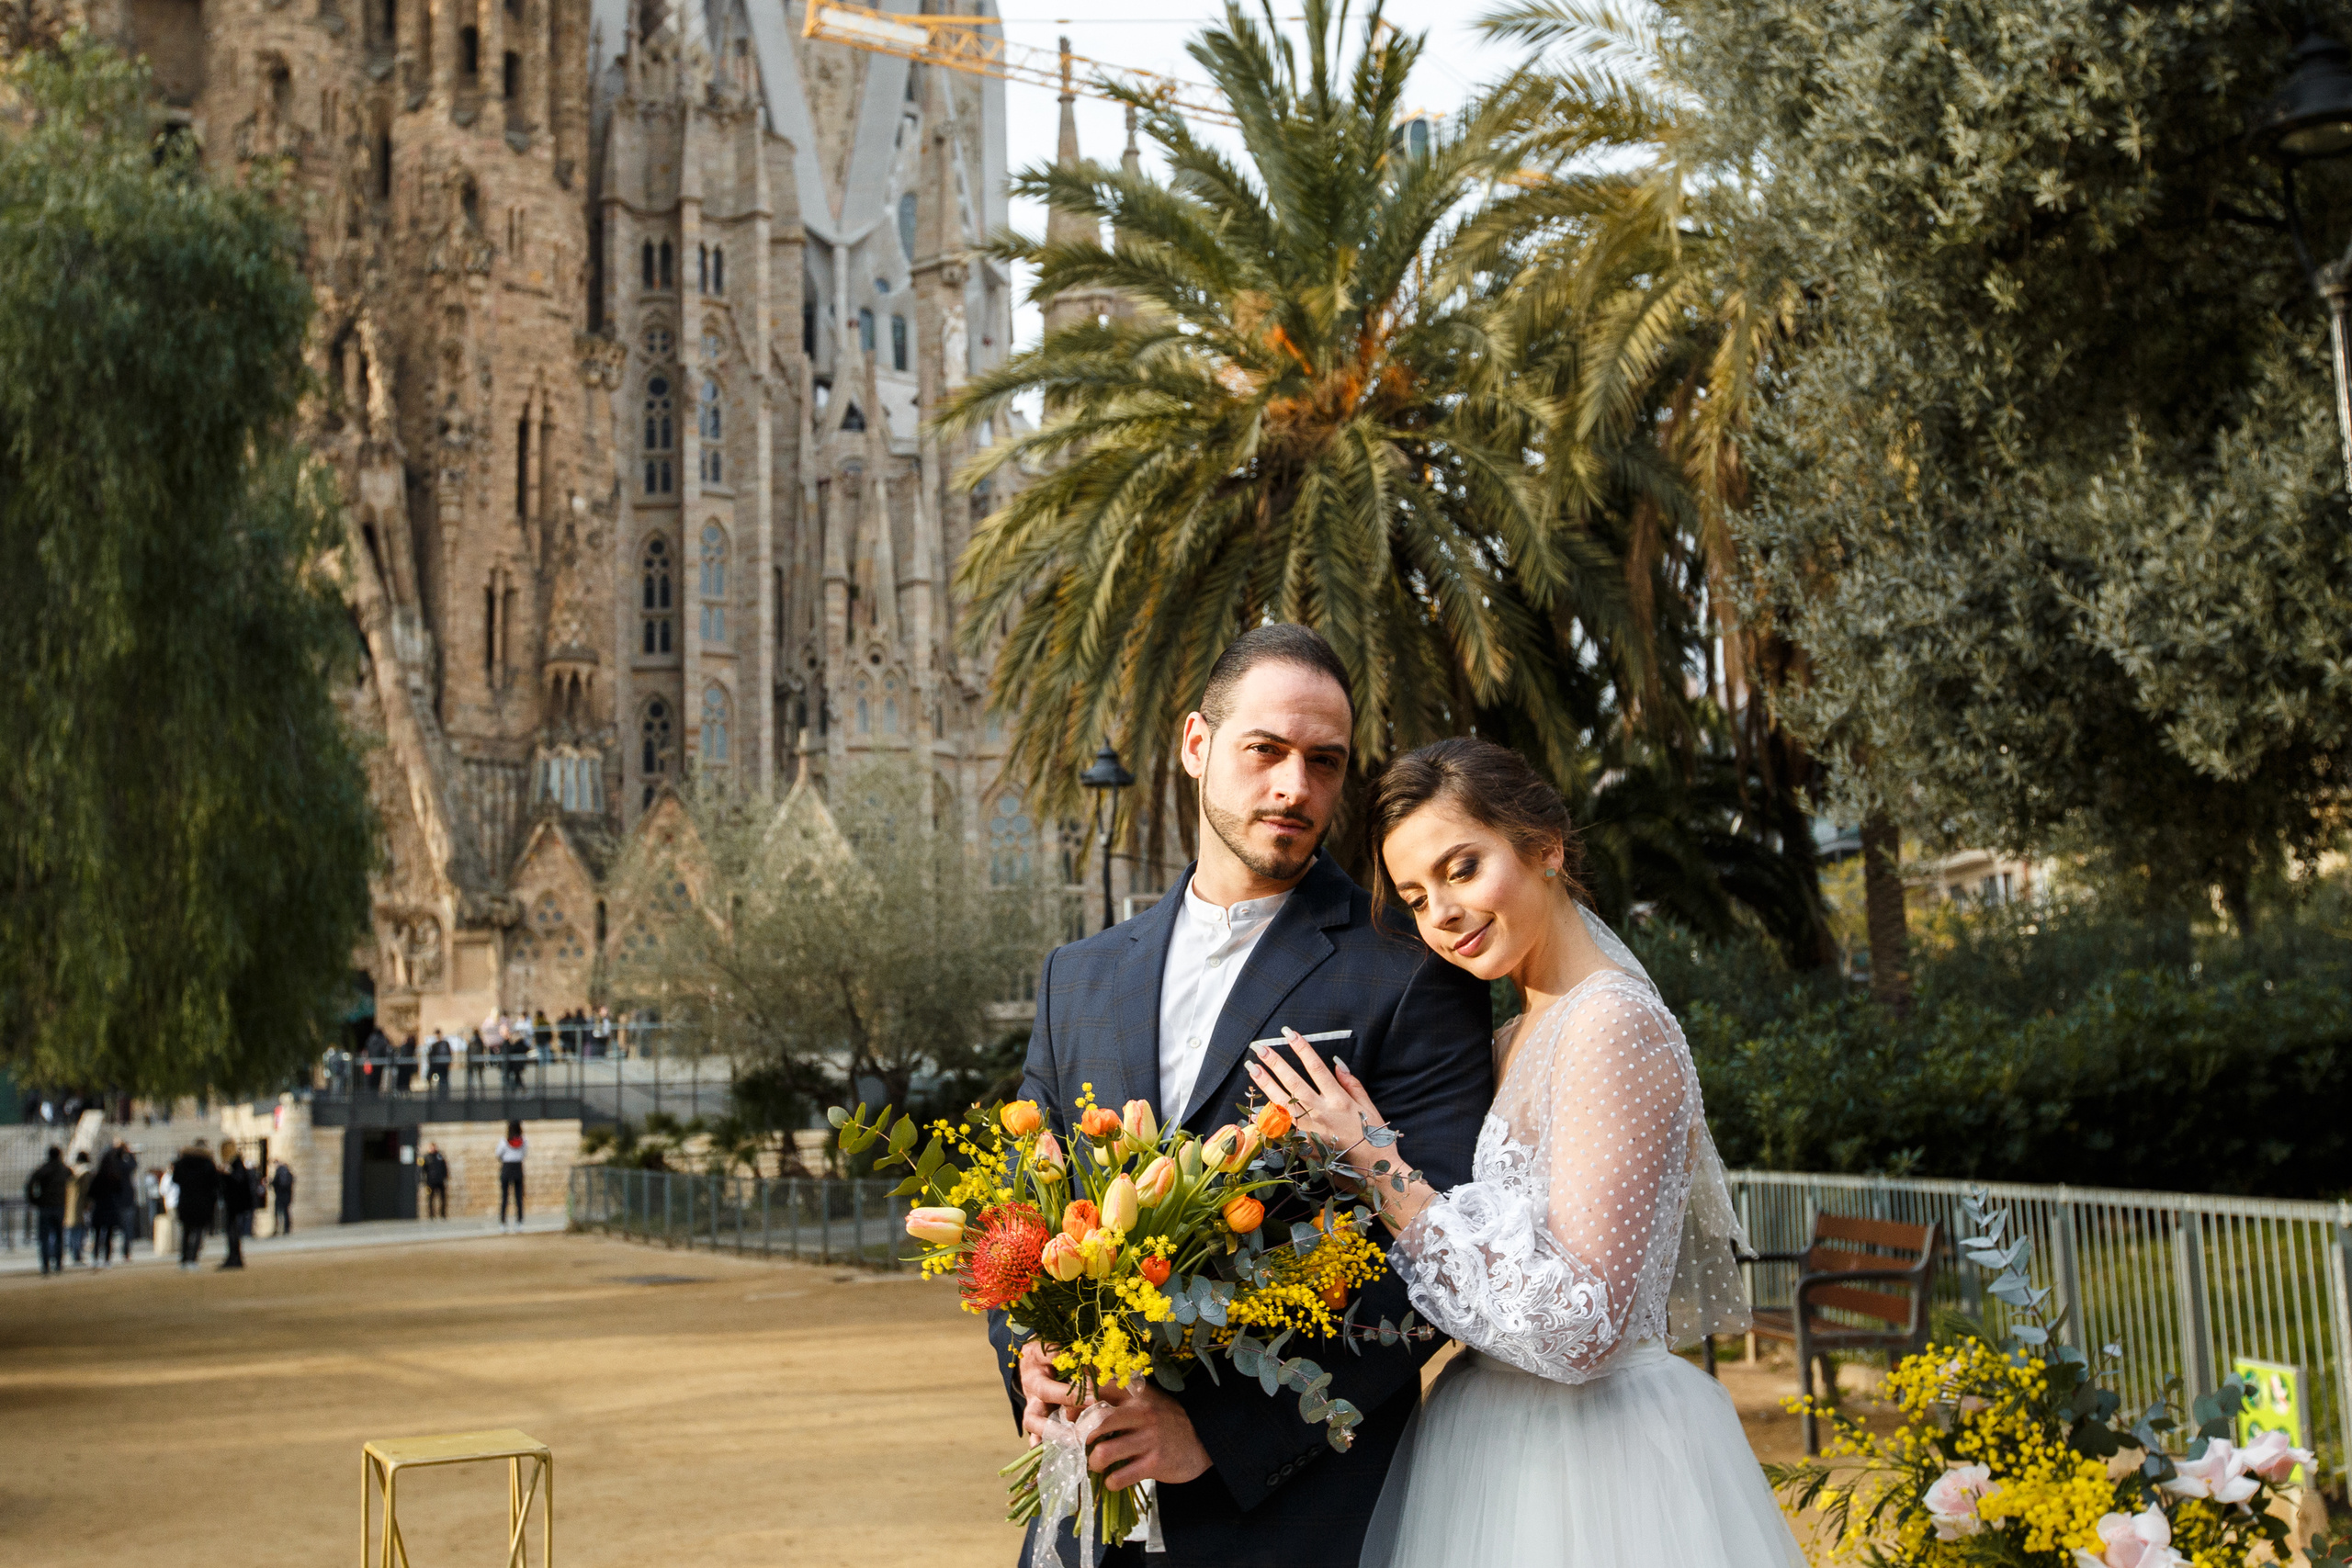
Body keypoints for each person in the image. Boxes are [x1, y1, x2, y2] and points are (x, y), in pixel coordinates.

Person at [999, 626, 1493, 1568]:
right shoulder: (1079, 976)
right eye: (1265, 751)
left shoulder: (1411, 976)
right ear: (1196, 745)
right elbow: (1022, 1216)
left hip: (1293, 1521)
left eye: (1324, 762)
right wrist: (1026, 1356)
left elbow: (1434, 1267)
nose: (1293, 787)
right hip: (1076, 1521)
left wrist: (1219, 1436)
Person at [1246, 738, 1801, 1568]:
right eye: (1416, 895)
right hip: (1489, 1441)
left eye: (1462, 868)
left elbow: (1582, 1329)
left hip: (1594, 1468)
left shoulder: (1612, 1024)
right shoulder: (1511, 1036)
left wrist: (1379, 1163)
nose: (1443, 912)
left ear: (1546, 846)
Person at [170, 1138, 220, 1270]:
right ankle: (193, 1259)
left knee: (186, 1231)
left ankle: (184, 1259)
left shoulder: (182, 1163)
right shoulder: (208, 1163)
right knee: (198, 1231)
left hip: (186, 1200)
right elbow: (215, 1183)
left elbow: (175, 1179)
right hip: (203, 1201)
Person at [24, 1145, 71, 1276]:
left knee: (44, 1237)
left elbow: (30, 1184)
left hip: (45, 1206)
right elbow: (71, 1175)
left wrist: (34, 1200)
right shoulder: (63, 1170)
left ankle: (45, 1265)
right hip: (59, 1206)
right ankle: (58, 1264)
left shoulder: (43, 1170)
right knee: (59, 1236)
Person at [217, 1138, 255, 1269]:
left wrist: (226, 1174)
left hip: (236, 1203)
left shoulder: (236, 1163)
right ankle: (233, 1256)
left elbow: (237, 1180)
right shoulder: (235, 1163)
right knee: (232, 1231)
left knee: (233, 1231)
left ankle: (235, 1257)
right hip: (234, 1202)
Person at [88, 1142, 126, 1266]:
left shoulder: (97, 1176)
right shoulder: (115, 1176)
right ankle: (107, 1259)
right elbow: (120, 1191)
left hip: (99, 1207)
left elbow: (91, 1193)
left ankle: (95, 1257)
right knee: (109, 1235)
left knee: (97, 1235)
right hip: (111, 1207)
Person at [64, 1151, 94, 1265]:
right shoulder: (85, 1172)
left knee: (72, 1231)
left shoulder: (72, 1170)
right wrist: (88, 1204)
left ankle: (74, 1252)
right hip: (80, 1205)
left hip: (70, 1204)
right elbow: (87, 1190)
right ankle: (77, 1254)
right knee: (79, 1231)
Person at [497, 1122, 526, 1226]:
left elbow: (498, 1154)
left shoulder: (504, 1141)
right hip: (518, 1167)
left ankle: (503, 1222)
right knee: (518, 1197)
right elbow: (524, 1153)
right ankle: (519, 1222)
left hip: (507, 1168)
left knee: (504, 1197)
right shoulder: (523, 1141)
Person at [421, 1143, 449, 1219]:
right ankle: (431, 1215)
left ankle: (442, 1214)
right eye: (431, 1147)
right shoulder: (426, 1157)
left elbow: (444, 1167)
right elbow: (422, 1170)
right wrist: (423, 1180)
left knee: (443, 1198)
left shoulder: (439, 1156)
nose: (433, 1149)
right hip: (430, 1182)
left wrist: (445, 1176)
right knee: (430, 1198)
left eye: (434, 1147)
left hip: (440, 1181)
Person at [268, 1158, 295, 1235]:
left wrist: (270, 1183)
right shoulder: (289, 1173)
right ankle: (286, 1228)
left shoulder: (278, 1172)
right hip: (287, 1195)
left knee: (277, 1212)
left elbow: (275, 1183)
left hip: (280, 1195)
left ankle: (276, 1228)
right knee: (286, 1212)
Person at [426, 1030, 452, 1095]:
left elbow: (431, 1055)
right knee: (444, 1079)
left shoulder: (435, 1045)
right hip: (444, 1064)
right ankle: (445, 1093)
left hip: (439, 1064)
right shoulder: (445, 1043)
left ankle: (442, 1093)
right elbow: (449, 1053)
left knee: (441, 1079)